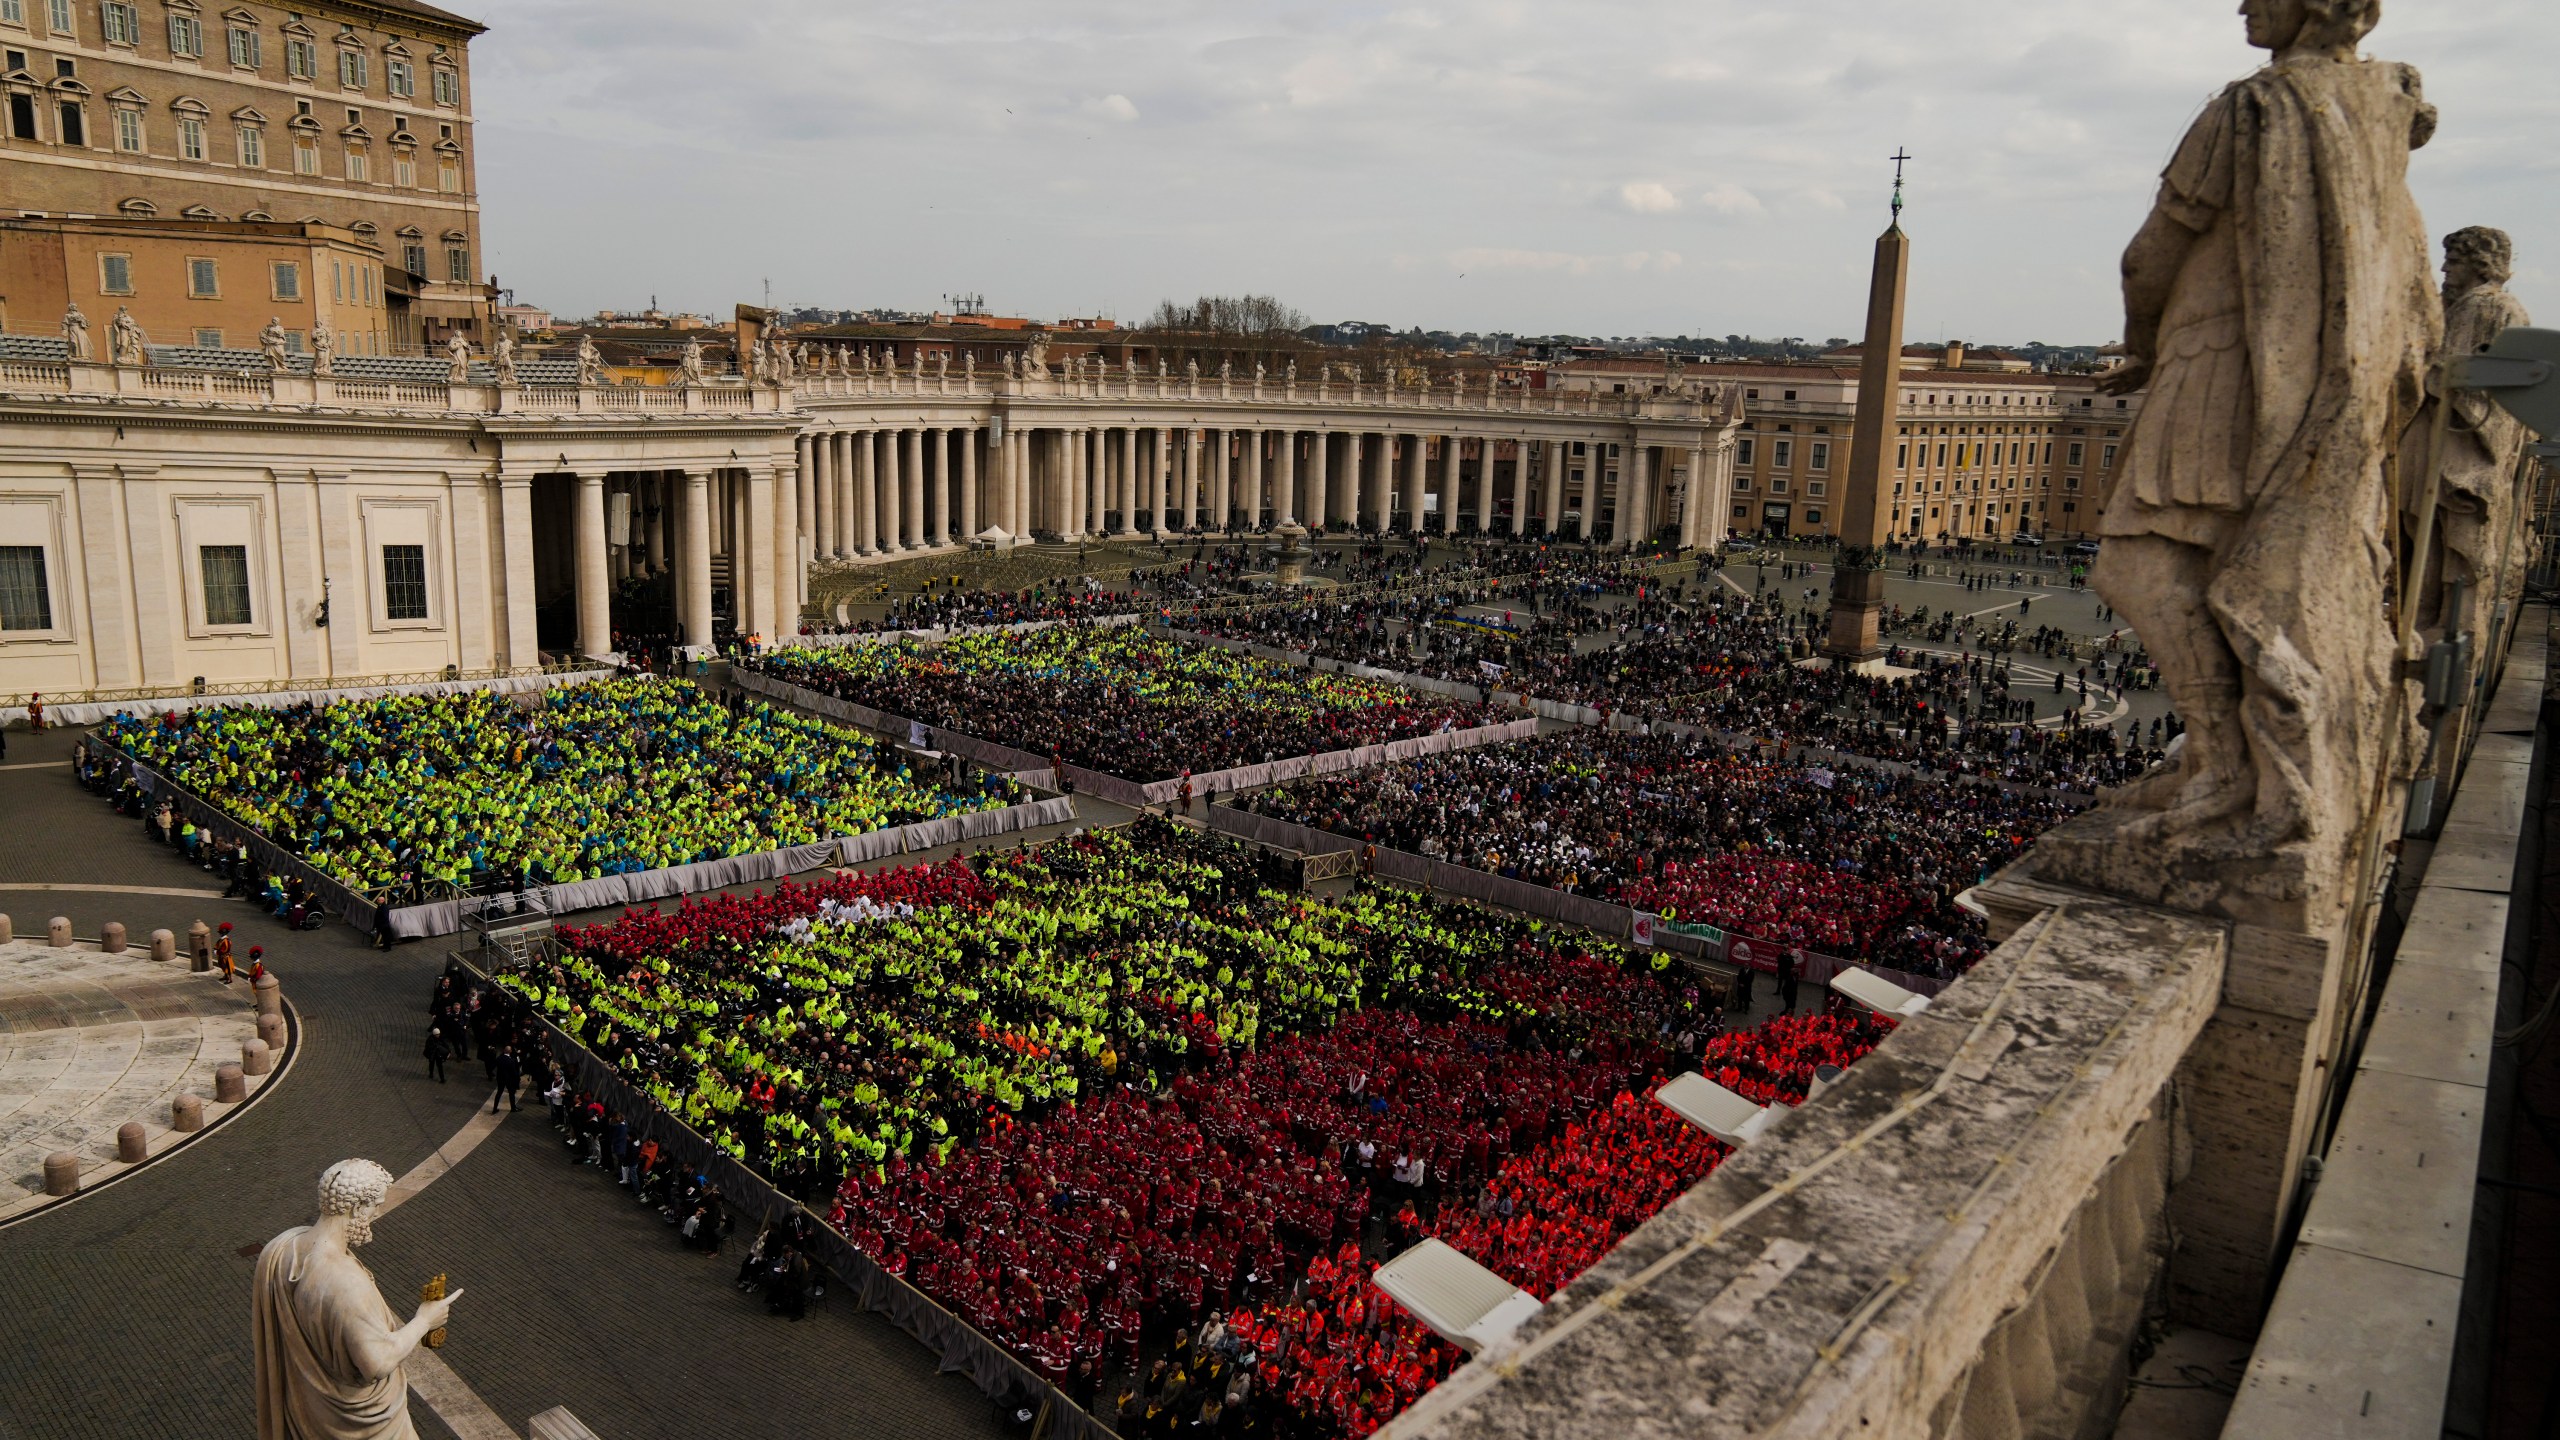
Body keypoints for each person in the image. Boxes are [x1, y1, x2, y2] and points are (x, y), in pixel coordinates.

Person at [488, 1045, 522, 1113]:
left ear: (504, 1050)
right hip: (509, 1080)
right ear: (510, 1051)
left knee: (499, 1093)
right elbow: (514, 1072)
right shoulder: (511, 1061)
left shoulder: (499, 1058)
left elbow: (492, 1066)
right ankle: (513, 1108)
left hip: (500, 1078)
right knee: (511, 1093)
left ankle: (495, 1108)